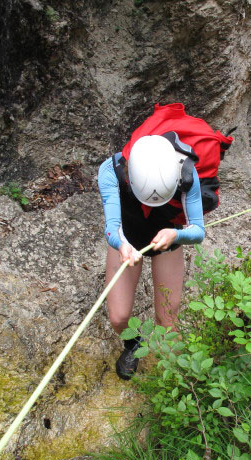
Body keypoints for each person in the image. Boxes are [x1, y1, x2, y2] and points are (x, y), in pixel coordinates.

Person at [98, 104, 232, 380]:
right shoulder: (111, 171)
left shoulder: (186, 174)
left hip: (167, 236)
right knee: (119, 318)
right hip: (128, 236)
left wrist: (177, 235)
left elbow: (198, 230)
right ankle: (133, 343)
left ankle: (170, 376)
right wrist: (122, 245)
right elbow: (112, 227)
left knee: (167, 321)